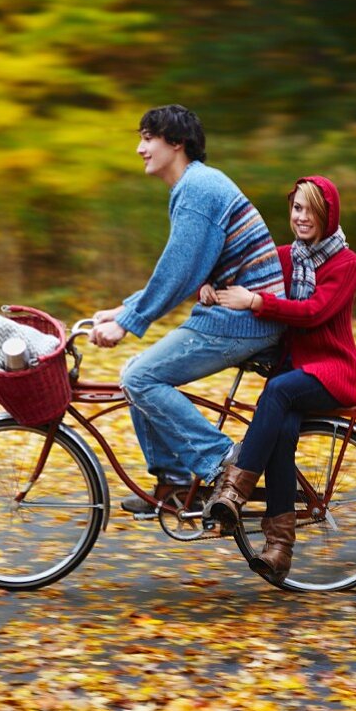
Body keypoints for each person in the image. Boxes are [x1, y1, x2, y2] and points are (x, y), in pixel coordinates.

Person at [90, 104, 284, 512]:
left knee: (141, 377)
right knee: (136, 373)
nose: (140, 148)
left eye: (148, 138)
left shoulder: (198, 188)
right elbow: (182, 268)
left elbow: (178, 271)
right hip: (231, 316)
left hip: (245, 319)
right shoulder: (193, 188)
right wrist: (124, 309)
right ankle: (175, 483)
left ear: (176, 143)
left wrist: (128, 321)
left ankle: (223, 461)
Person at [203, 175, 356, 584]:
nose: (303, 217)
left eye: (312, 209)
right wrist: (210, 286)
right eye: (297, 208)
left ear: (329, 215)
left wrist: (257, 301)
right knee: (281, 437)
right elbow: (241, 270)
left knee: (277, 391)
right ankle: (278, 549)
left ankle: (234, 492)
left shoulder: (348, 264)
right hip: (294, 375)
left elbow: (313, 310)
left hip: (332, 371)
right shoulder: (287, 257)